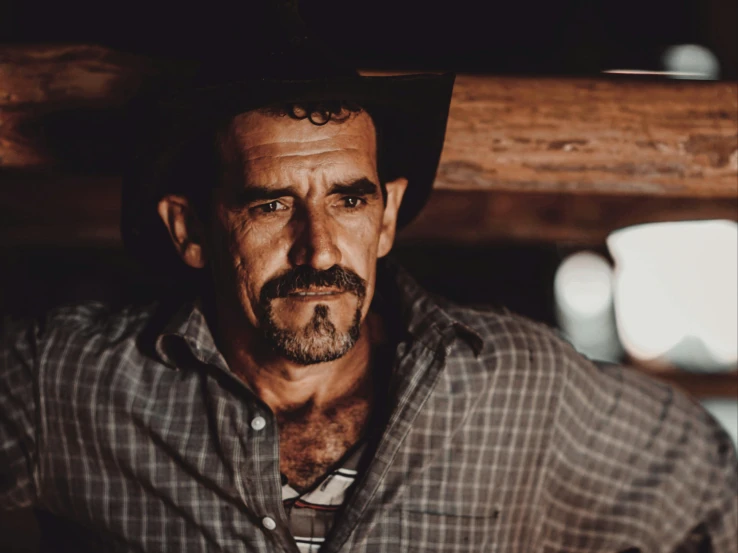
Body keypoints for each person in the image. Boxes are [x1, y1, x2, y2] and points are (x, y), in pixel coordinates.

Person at [1, 7, 737, 553]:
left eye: (349, 200)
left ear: (384, 219)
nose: (319, 249)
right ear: (190, 229)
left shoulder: (519, 384)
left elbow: (714, 498)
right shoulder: (66, 381)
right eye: (271, 204)